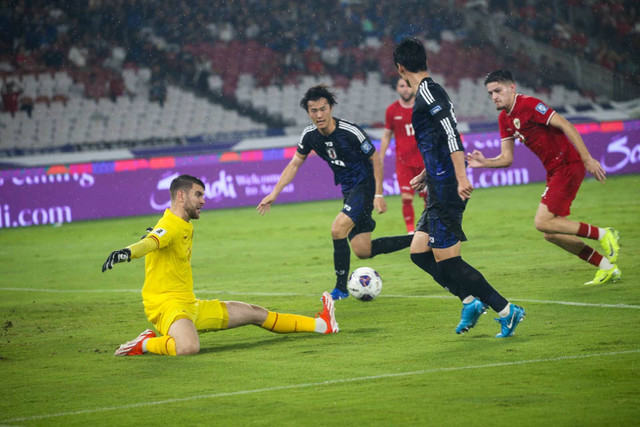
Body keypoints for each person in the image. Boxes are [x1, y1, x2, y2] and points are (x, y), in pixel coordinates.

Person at [103, 175, 338, 357]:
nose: (203, 200)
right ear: (181, 196)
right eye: (198, 195)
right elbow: (150, 242)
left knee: (254, 313)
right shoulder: (170, 225)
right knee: (188, 347)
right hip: (168, 307)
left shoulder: (182, 224)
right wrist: (126, 253)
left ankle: (322, 325)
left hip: (189, 305)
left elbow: (155, 239)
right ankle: (145, 343)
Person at [393, 38, 525, 338]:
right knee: (418, 252)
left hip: (449, 184)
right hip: (439, 181)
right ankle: (470, 302)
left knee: (448, 260)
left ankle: (506, 310)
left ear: (400, 68)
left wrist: (461, 177)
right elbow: (439, 140)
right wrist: (428, 172)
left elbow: (452, 135)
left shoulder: (427, 92)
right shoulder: (429, 92)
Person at [257, 85, 413, 301]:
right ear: (308, 113)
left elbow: (375, 159)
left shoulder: (350, 131)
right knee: (362, 249)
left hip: (364, 186)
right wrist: (274, 192)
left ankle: (340, 289)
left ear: (331, 108)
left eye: (323, 109)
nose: (319, 115)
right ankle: (418, 239)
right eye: (314, 111)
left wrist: (378, 193)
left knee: (337, 229)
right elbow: (294, 164)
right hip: (349, 190)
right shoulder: (310, 135)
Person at [466, 69, 620, 285]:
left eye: (498, 91)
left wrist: (587, 159)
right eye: (490, 93)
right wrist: (485, 163)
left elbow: (566, 124)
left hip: (568, 165)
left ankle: (603, 234)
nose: (494, 97)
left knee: (542, 222)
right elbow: (507, 158)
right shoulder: (504, 119)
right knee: (551, 232)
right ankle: (606, 267)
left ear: (512, 88)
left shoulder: (529, 105)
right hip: (554, 171)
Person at [380, 77, 427, 234]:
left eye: (408, 85)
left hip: (424, 160)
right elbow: (387, 135)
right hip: (404, 162)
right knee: (406, 198)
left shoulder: (422, 107)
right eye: (402, 86)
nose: (405, 89)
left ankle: (427, 228)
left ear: (412, 88)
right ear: (397, 89)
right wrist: (380, 156)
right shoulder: (391, 110)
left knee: (428, 199)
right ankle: (411, 232)